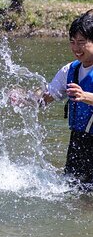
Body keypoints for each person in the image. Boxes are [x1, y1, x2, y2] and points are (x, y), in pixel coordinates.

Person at [37, 10, 93, 191]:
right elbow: (47, 96)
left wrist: (85, 96)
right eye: (72, 42)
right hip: (77, 143)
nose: (76, 48)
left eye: (82, 43)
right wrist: (26, 99)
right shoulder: (69, 70)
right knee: (73, 193)